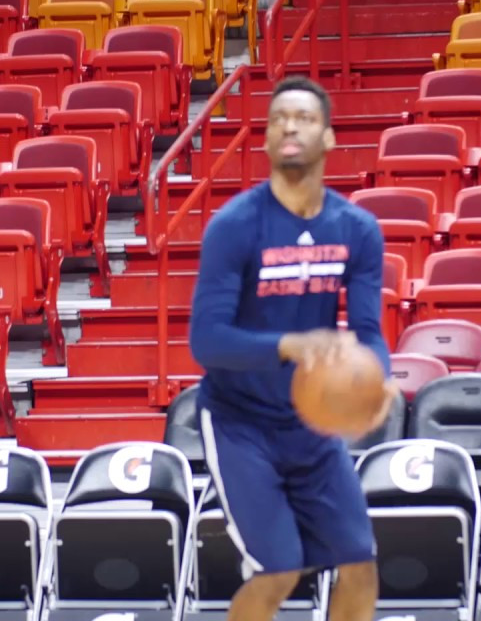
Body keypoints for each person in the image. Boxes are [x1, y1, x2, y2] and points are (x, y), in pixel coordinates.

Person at [188, 75, 392, 621]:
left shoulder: (357, 229)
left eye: (303, 117)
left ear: (328, 137)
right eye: (278, 118)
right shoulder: (234, 226)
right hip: (239, 422)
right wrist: (290, 344)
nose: (289, 126)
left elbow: (368, 331)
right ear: (267, 140)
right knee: (278, 568)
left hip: (311, 424)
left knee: (360, 562)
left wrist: (380, 377)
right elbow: (205, 342)